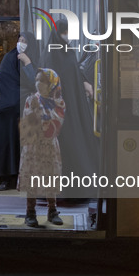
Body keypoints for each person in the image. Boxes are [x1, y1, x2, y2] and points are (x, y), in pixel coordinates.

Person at [40, 19, 99, 192]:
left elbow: (74, 76)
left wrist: (86, 86)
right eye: (65, 32)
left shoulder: (70, 52)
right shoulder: (50, 55)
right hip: (56, 110)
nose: (68, 36)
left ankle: (78, 189)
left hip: (74, 107)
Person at [0, 32, 39, 191]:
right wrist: (28, 63)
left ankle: (6, 180)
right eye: (20, 40)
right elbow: (34, 84)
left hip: (4, 109)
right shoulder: (17, 58)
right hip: (13, 109)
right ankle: (13, 178)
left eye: (25, 41)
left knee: (7, 145)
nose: (21, 43)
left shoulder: (9, 57)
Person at [18, 68, 66, 227]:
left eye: (43, 81)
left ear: (52, 83)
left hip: (49, 146)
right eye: (37, 80)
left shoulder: (58, 102)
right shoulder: (30, 99)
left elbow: (56, 122)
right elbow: (28, 121)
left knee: (50, 177)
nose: (39, 84)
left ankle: (52, 211)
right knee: (32, 177)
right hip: (33, 146)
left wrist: (40, 117)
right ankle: (30, 212)